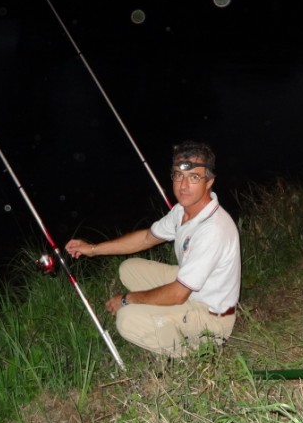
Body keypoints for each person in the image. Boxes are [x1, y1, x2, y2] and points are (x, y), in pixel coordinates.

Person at [65, 141, 241, 358]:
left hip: (211, 318)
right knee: (129, 269)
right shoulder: (182, 211)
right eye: (178, 175)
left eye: (194, 177)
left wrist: (127, 299)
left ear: (209, 182)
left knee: (127, 319)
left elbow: (178, 293)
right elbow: (147, 238)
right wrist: (93, 249)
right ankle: (166, 317)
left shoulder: (213, 229)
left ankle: (195, 355)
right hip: (195, 290)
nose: (184, 185)